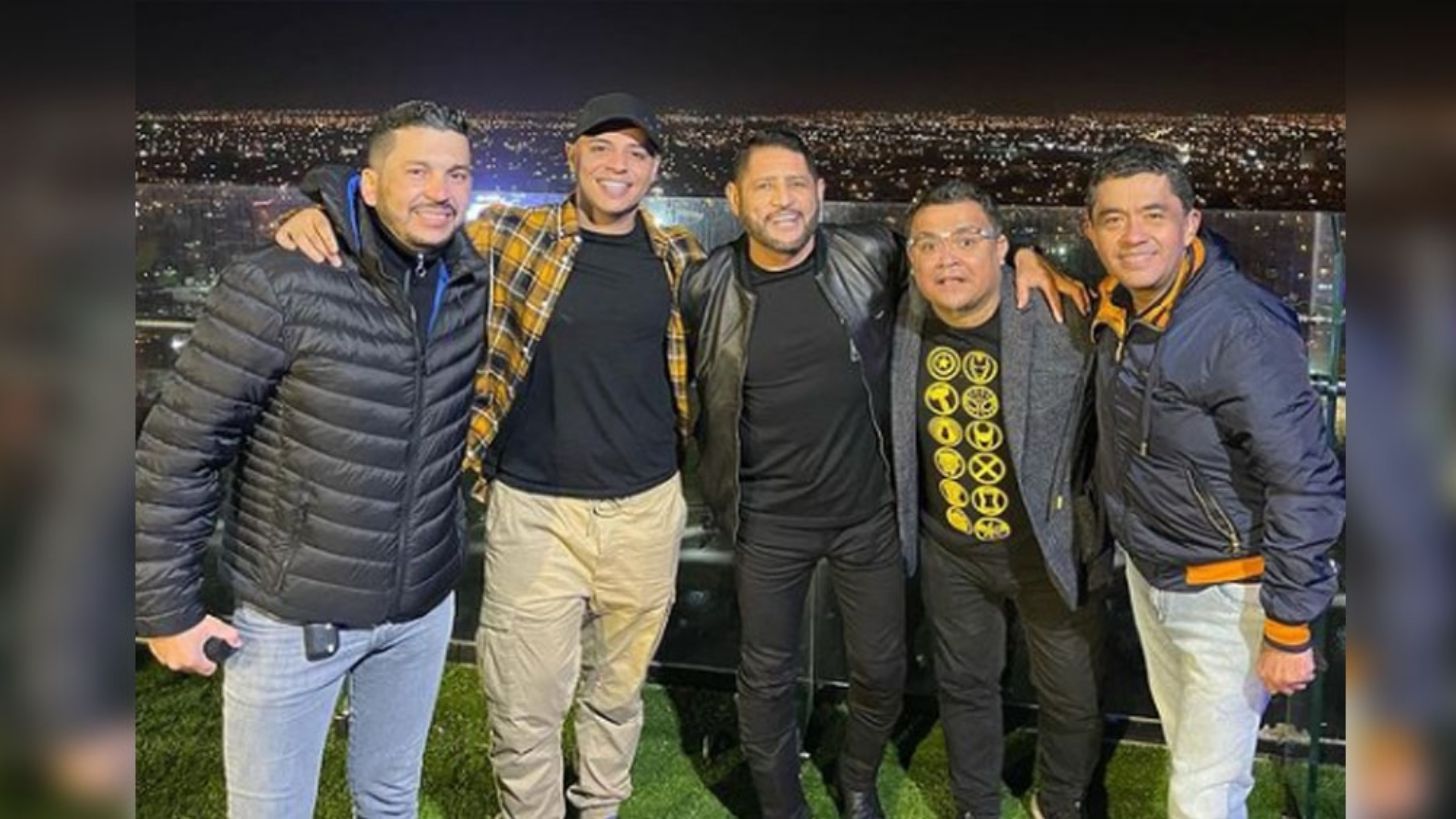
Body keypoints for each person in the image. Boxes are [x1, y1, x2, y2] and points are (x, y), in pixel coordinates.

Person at [276, 92, 702, 819]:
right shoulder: (510, 235)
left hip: (647, 510)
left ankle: (600, 807)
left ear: (655, 170)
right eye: (601, 147)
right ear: (571, 156)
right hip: (535, 511)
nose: (618, 164)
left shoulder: (680, 257)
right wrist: (319, 203)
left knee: (617, 691)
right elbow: (409, 216)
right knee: (524, 703)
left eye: (637, 152)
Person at [681, 131, 1082, 819]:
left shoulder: (869, 255)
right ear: (734, 199)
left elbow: (949, 252)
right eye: (765, 186)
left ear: (820, 193)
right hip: (766, 521)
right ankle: (782, 807)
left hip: (869, 514)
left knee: (882, 671)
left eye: (797, 184)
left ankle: (858, 778)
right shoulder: (703, 285)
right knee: (766, 677)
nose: (784, 200)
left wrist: (1023, 251)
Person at [136, 100, 484, 818]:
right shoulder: (281, 281)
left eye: (457, 174)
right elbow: (180, 446)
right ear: (369, 184)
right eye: (416, 171)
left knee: (391, 799)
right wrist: (165, 610)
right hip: (294, 616)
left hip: (421, 609)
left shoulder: (468, 280)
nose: (440, 191)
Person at [1082, 142, 1345, 818]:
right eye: (1113, 218)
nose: (1133, 235)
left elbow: (1305, 478)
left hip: (1232, 593)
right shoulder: (1120, 303)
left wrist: (1289, 622)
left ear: (1190, 223)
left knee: (1203, 793)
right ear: (1090, 231)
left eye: (1154, 214)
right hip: (1157, 573)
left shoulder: (1238, 328)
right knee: (1197, 766)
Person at [890, 180, 1109, 819]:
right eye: (929, 244)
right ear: (911, 257)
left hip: (1049, 547)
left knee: (1071, 694)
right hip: (950, 548)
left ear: (1000, 247)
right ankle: (975, 804)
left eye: (966, 240)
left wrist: (1037, 255)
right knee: (964, 687)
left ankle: (1059, 802)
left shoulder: (1060, 316)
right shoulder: (902, 313)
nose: (947, 258)